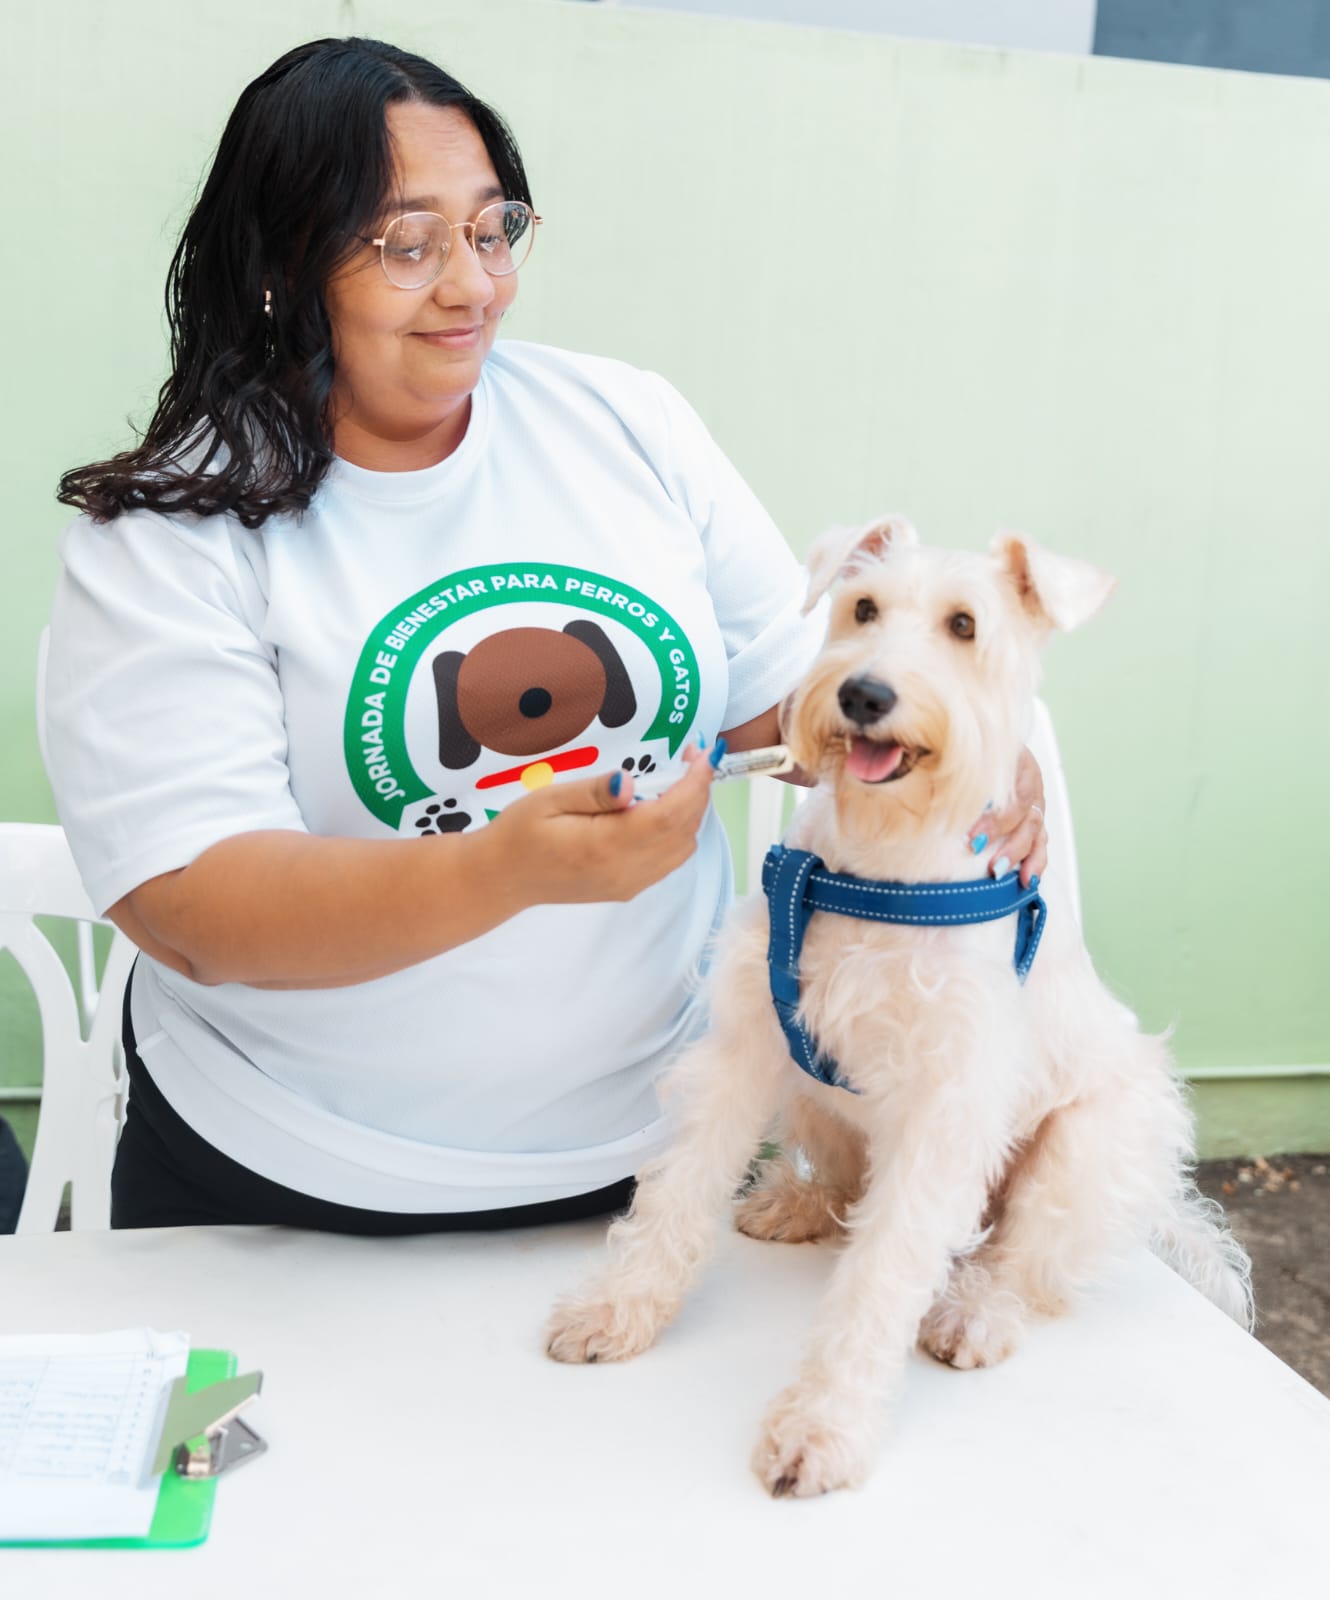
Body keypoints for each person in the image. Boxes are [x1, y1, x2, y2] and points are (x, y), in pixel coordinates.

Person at [44, 37, 1047, 1234]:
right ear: (282, 266)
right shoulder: (166, 528)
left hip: (660, 1161)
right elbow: (193, 910)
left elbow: (790, 703)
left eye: (490, 230)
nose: (471, 285)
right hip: (287, 1188)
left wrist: (963, 737)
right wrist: (498, 871)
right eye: (408, 245)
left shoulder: (622, 422)